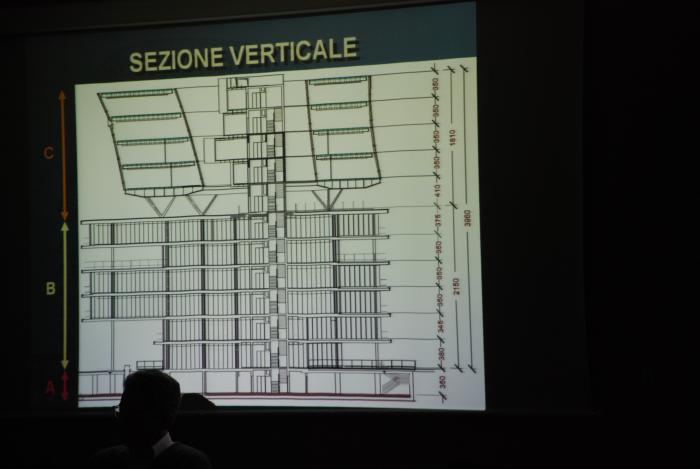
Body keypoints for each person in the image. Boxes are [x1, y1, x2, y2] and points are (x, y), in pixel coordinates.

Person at [88, 369, 212, 468]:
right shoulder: (192, 461)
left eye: (132, 412)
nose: (121, 419)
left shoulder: (104, 461)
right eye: (122, 410)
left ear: (163, 415)